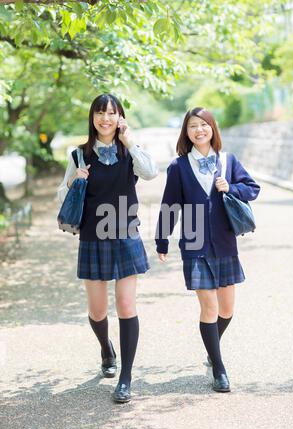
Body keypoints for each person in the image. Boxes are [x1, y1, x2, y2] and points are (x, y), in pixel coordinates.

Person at [57, 93, 158, 403]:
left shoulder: (130, 152)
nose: (105, 119)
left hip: (126, 233)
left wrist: (130, 141)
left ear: (120, 118)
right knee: (98, 310)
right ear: (92, 118)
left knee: (127, 306)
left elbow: (150, 171)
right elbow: (62, 195)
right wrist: (76, 181)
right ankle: (106, 348)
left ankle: (126, 378)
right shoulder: (79, 155)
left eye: (111, 113)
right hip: (93, 236)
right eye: (100, 113)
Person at [155, 107, 260, 392]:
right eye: (192, 126)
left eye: (203, 125)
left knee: (227, 309)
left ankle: (211, 351)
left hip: (225, 242)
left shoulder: (228, 161)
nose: (199, 130)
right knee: (209, 307)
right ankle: (219, 368)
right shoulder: (178, 167)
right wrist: (162, 239)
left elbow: (253, 188)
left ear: (212, 128)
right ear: (186, 132)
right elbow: (169, 205)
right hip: (194, 243)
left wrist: (231, 188)